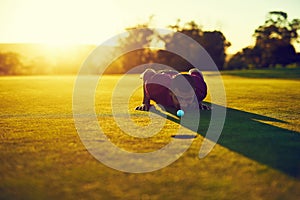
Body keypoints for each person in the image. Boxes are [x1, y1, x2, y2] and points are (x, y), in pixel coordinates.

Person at [135, 68, 211, 112]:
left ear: (194, 92)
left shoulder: (201, 90)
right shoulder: (156, 88)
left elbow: (195, 71)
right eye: (179, 98)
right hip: (162, 74)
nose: (184, 105)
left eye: (188, 99)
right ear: (170, 92)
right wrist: (145, 102)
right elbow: (148, 73)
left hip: (179, 75)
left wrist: (198, 101)